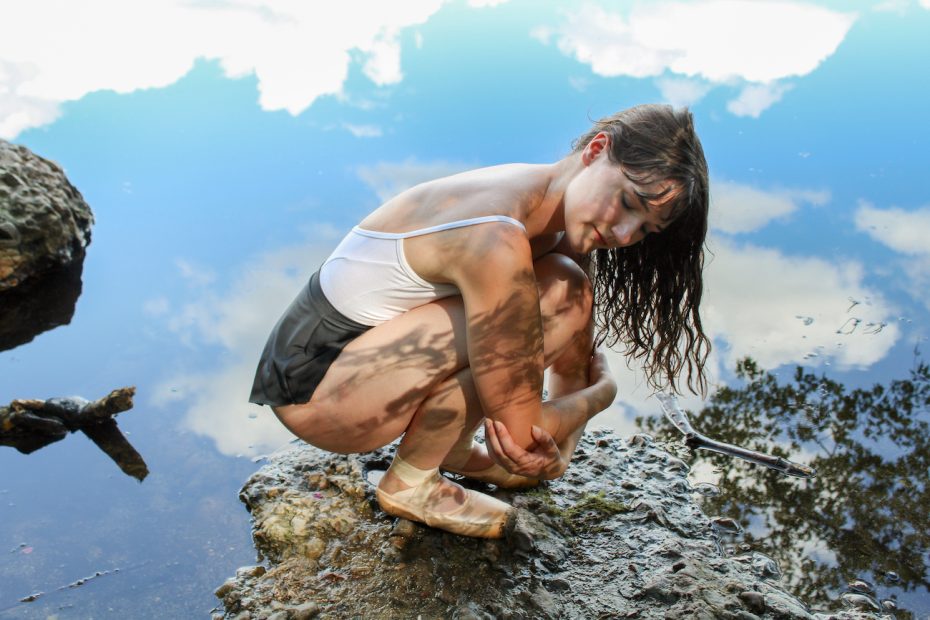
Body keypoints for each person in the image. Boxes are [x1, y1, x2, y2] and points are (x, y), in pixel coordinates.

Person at [249, 103, 710, 539]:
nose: (625, 235)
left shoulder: (559, 220)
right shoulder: (495, 232)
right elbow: (525, 426)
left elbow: (571, 366)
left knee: (565, 291)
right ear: (595, 151)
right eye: (628, 204)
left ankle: (449, 447)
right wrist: (600, 397)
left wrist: (556, 457)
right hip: (319, 390)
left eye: (646, 230)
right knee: (553, 298)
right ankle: (411, 484)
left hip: (365, 367)